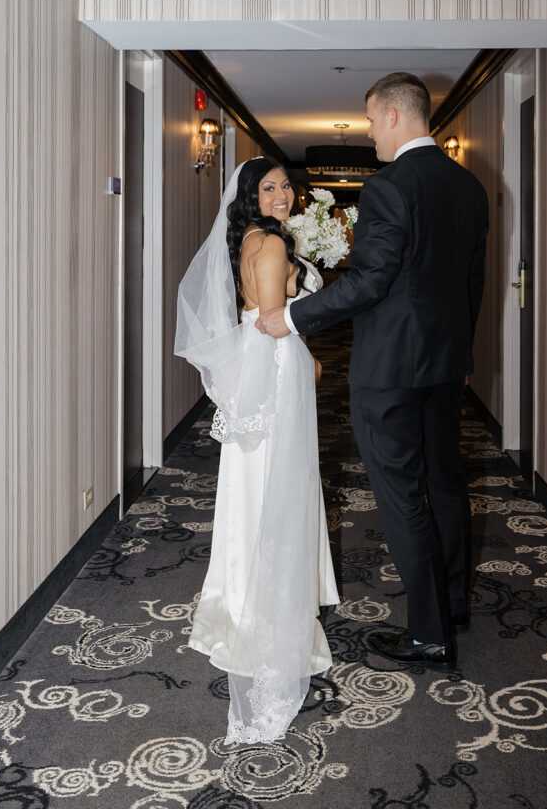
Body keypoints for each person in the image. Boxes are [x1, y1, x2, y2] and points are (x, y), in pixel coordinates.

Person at [257, 73, 489, 671]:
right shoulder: (469, 187)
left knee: (402, 495)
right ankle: (452, 604)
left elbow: (371, 281)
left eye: (368, 120)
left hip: (390, 370)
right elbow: (471, 284)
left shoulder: (390, 187)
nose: (366, 133)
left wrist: (295, 317)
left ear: (391, 116)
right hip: (444, 366)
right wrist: (460, 356)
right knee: (443, 482)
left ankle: (430, 634)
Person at [175, 157, 339, 745]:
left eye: (286, 186)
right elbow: (272, 320)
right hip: (274, 371)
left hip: (263, 369)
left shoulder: (249, 238)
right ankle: (267, 619)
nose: (283, 195)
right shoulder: (269, 244)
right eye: (268, 188)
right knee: (278, 487)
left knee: (259, 487)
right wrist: (309, 352)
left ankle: (246, 606)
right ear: (250, 195)